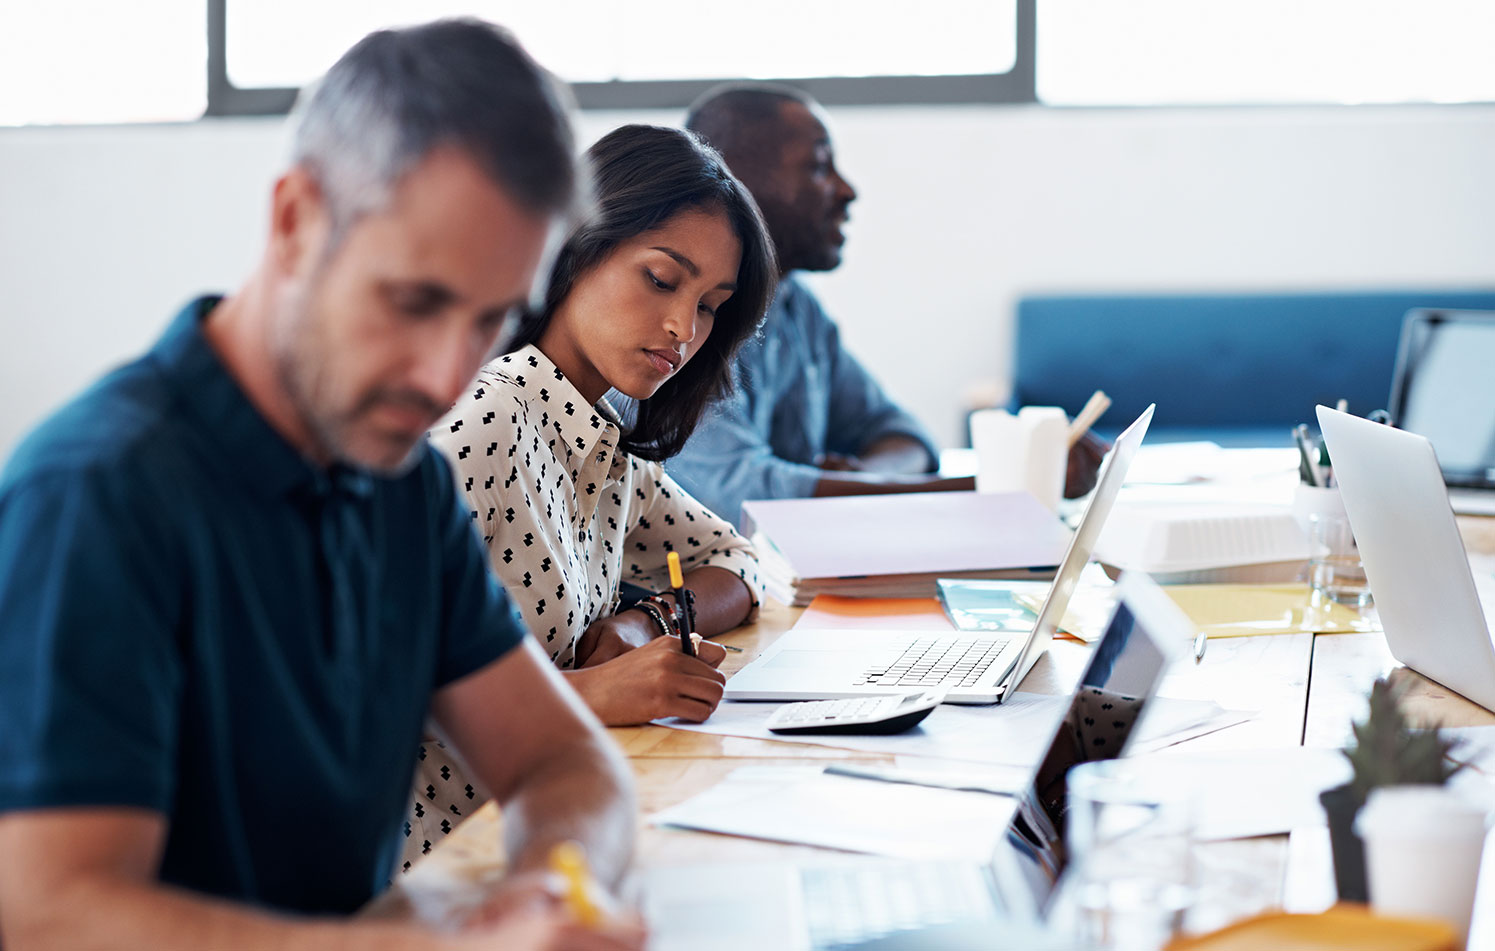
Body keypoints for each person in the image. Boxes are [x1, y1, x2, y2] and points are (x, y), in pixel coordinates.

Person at [0, 20, 644, 951]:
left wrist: (551, 885)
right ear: (296, 221)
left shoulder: (403, 486)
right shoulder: (98, 495)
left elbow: (565, 761)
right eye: (414, 301)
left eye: (489, 320)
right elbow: (49, 913)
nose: (443, 374)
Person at [410, 126, 773, 843]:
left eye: (709, 305)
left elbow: (739, 561)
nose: (682, 327)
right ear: (575, 246)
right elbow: (354, 680)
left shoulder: (603, 440)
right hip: (450, 855)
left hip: (562, 823)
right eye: (662, 280)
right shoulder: (487, 418)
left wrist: (647, 623)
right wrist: (588, 693)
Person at [668, 84, 1107, 525]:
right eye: (820, 168)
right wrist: (1011, 484)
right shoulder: (684, 325)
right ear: (736, 181)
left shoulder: (797, 309)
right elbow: (749, 501)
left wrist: (869, 479)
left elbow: (903, 433)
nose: (846, 190)